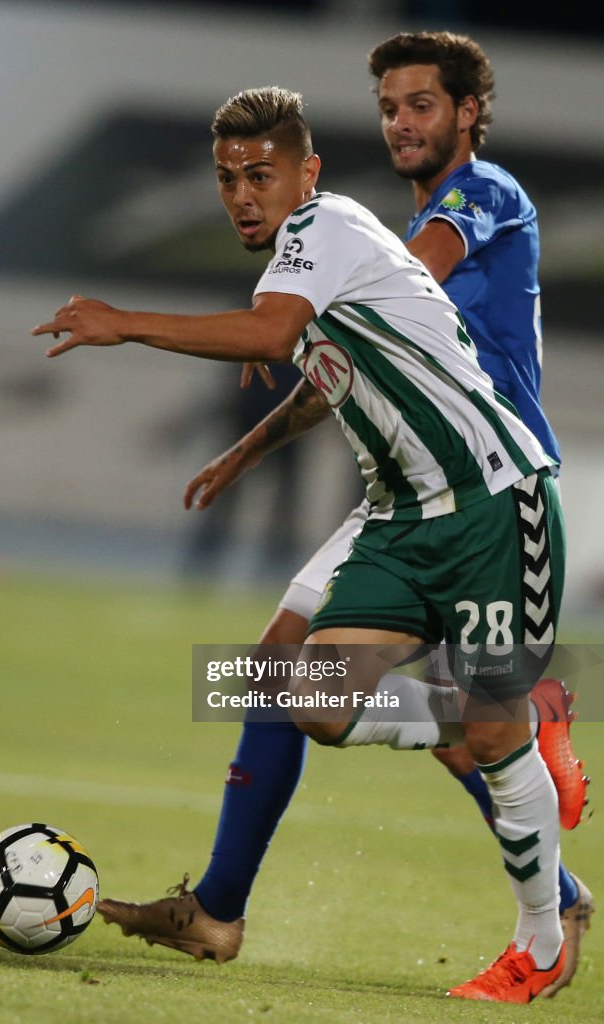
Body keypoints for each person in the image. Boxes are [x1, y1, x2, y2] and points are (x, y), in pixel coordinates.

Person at [53, 32, 591, 1000]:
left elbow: (294, 322)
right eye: (227, 179)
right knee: (294, 690)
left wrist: (123, 319)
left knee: (480, 731)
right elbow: (322, 366)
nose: (241, 194)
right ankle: (493, 728)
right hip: (399, 506)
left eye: (261, 173)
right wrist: (242, 448)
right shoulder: (332, 245)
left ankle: (541, 935)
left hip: (487, 493)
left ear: (305, 170)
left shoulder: (372, 218)